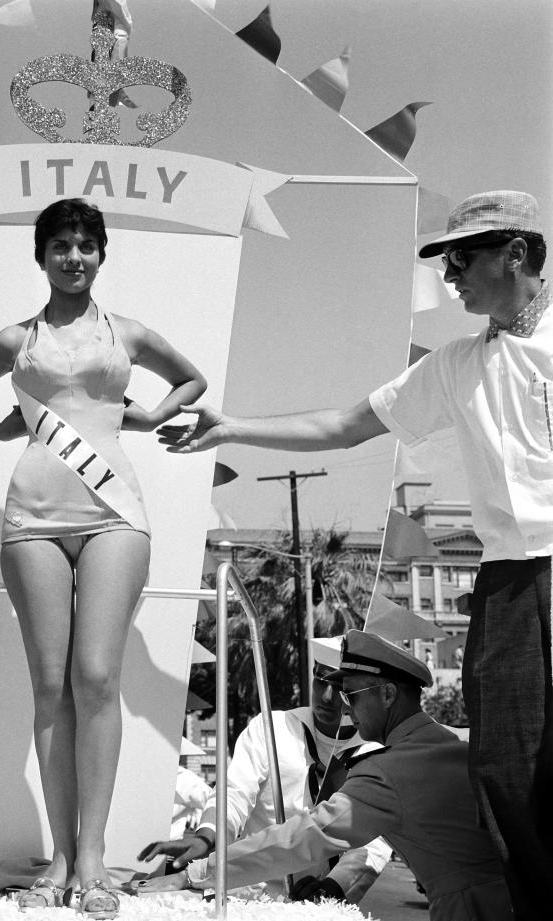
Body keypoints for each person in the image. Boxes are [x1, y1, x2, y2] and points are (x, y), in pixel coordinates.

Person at [157, 190, 551, 920]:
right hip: (505, 586)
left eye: (463, 258)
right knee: (507, 772)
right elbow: (344, 425)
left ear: (519, 254)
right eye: (444, 261)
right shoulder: (454, 366)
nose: (451, 275)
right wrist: (231, 426)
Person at [0, 197, 206, 916]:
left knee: (96, 676)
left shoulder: (126, 333)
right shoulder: (14, 340)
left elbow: (192, 380)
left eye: (86, 244)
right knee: (50, 689)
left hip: (114, 512)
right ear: (41, 256)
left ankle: (93, 858)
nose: (73, 256)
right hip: (31, 517)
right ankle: (60, 859)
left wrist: (151, 414)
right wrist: (3, 426)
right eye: (60, 245)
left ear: (101, 253)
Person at [136, 631, 512, 920]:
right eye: (325, 684)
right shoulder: (452, 742)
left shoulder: (389, 765)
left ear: (386, 695)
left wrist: (197, 873)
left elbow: (307, 836)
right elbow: (235, 792)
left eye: (351, 694)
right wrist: (207, 837)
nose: (341, 704)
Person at [138, 654, 391, 904]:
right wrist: (207, 836)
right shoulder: (272, 728)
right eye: (320, 680)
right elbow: (234, 793)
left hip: (318, 902)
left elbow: (373, 843)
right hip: (247, 896)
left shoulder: (376, 753)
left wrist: (335, 887)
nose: (326, 696)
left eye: (340, 688)